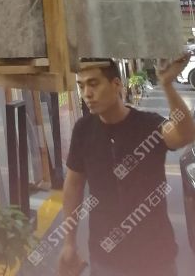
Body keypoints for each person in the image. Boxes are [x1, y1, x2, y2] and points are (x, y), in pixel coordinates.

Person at [59, 56, 195, 276]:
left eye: (94, 84)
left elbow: (185, 135)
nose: (87, 93)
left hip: (155, 256)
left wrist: (167, 86)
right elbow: (73, 186)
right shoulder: (83, 130)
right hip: (105, 258)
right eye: (81, 86)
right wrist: (69, 242)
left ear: (116, 84)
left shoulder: (149, 125)